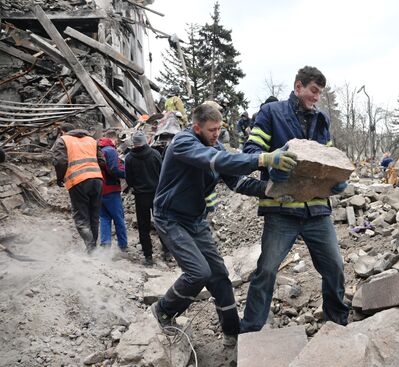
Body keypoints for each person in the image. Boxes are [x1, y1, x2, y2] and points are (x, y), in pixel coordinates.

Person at [150, 103, 297, 346]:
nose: (216, 134)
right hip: (170, 217)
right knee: (198, 273)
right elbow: (215, 160)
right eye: (211, 130)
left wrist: (271, 190)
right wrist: (262, 159)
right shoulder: (182, 143)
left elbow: (238, 182)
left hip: (195, 219)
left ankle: (232, 332)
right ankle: (164, 310)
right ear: (196, 127)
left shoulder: (215, 146)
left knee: (219, 276)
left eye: (219, 128)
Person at [240, 66, 349, 333]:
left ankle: (337, 324)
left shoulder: (322, 119)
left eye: (320, 93)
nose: (316, 97)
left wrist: (334, 179)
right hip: (282, 209)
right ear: (298, 86)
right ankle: (251, 330)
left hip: (316, 209)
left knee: (334, 267)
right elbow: (251, 150)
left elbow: (326, 157)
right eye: (313, 91)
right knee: (266, 270)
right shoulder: (271, 113)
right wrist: (273, 158)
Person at [52, 123, 105, 253]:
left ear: (64, 132)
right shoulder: (91, 140)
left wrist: (60, 178)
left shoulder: (63, 140)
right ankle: (94, 248)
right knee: (94, 215)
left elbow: (60, 162)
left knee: (81, 218)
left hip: (78, 181)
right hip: (97, 180)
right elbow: (102, 161)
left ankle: (91, 248)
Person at [125, 131, 171, 266]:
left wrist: (136, 187)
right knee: (161, 223)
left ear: (134, 143)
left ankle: (148, 257)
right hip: (157, 194)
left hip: (141, 196)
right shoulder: (155, 154)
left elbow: (129, 179)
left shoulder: (129, 158)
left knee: (143, 227)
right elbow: (163, 173)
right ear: (146, 141)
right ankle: (167, 252)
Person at [98, 134, 128, 251]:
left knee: (104, 217)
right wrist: (127, 173)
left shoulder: (98, 151)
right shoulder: (110, 151)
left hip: (99, 189)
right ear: (113, 139)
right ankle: (123, 245)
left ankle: (105, 244)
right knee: (118, 218)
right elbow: (114, 169)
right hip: (111, 189)